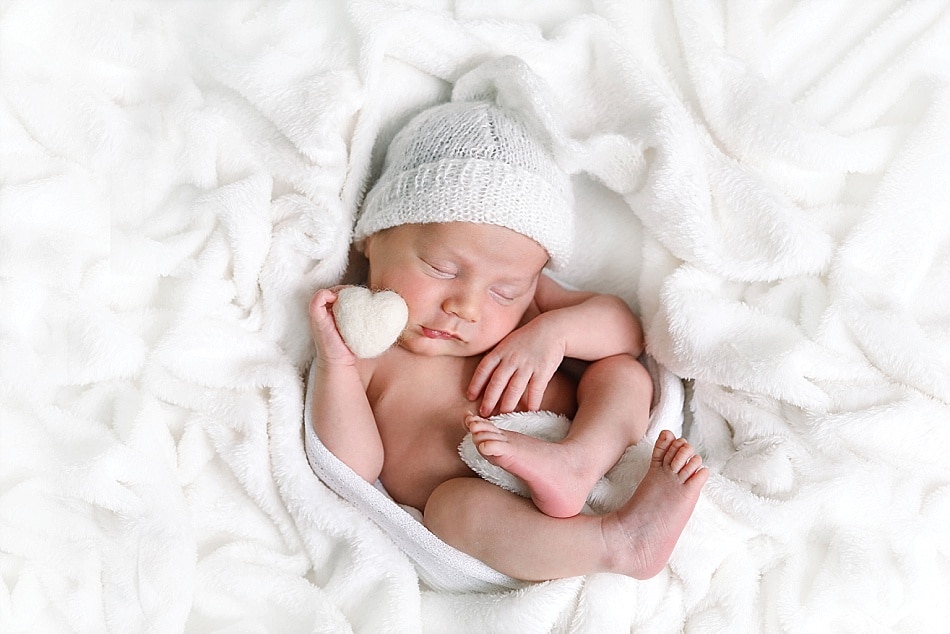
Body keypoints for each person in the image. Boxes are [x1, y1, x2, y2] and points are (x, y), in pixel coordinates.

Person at [308, 98, 708, 581]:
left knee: (620, 372)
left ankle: (576, 463)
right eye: (442, 269)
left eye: (504, 290)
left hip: (587, 448)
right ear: (372, 237)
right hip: (496, 513)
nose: (468, 307)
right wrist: (337, 366)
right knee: (452, 510)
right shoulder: (363, 348)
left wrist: (553, 332)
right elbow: (354, 468)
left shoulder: (532, 308)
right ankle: (616, 543)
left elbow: (624, 332)